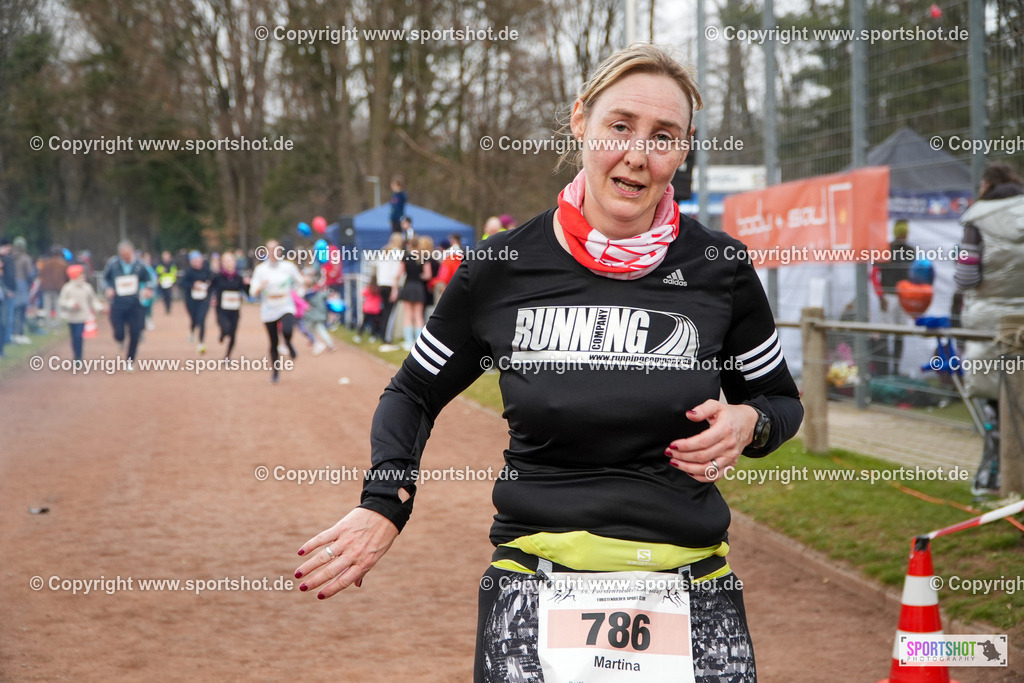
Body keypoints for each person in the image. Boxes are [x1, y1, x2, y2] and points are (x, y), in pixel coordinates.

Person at [295, 44, 803, 682]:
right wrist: (384, 500)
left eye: (664, 137)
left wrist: (747, 424)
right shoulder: (500, 267)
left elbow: (782, 403)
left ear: (685, 148)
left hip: (690, 578)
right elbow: (412, 393)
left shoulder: (720, 268)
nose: (638, 155)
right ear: (580, 122)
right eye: (619, 127)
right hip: (533, 584)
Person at [952, 162, 1024, 496]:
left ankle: (996, 480)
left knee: (996, 400)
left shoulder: (977, 218)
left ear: (986, 185)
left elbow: (967, 276)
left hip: (991, 327)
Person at [249, 240, 304, 383]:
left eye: (276, 249)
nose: (273, 252)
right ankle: (275, 372)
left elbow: (300, 281)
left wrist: (305, 286)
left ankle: (288, 342)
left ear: (280, 251)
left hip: (285, 305)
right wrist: (260, 287)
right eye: (270, 249)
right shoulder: (261, 269)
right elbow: (252, 291)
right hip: (269, 308)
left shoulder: (288, 267)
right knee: (273, 342)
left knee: (287, 329)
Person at [871, 219, 916, 375]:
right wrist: (880, 296)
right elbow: (875, 274)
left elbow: (913, 276)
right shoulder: (886, 249)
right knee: (887, 334)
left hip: (901, 297)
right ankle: (884, 370)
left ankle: (895, 370)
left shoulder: (909, 250)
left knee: (898, 335)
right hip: (890, 297)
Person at [102, 240, 153, 364]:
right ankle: (120, 339)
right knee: (119, 332)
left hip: (135, 303)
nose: (125, 257)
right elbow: (105, 279)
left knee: (135, 332)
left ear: (132, 252)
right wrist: (108, 288)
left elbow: (149, 280)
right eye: (123, 255)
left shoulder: (140, 265)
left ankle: (130, 360)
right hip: (118, 303)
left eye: (127, 254)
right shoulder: (113, 264)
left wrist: (147, 289)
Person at [392, 234, 432, 350]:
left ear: (409, 244)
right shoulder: (424, 256)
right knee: (418, 316)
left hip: (408, 286)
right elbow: (427, 275)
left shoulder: (406, 256)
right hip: (419, 287)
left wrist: (395, 288)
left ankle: (408, 342)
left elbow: (399, 274)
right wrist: (419, 275)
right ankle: (419, 342)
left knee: (408, 315)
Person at [58, 264, 104, 363]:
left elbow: (93, 301)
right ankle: (76, 354)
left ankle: (79, 357)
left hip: (82, 316)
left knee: (79, 336)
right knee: (74, 337)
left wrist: (100, 308)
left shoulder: (87, 288)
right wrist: (71, 304)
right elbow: (62, 301)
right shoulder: (67, 288)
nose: (83, 276)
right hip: (71, 317)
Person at [210, 251, 248, 359]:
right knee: (226, 330)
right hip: (222, 309)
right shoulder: (218, 277)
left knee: (233, 334)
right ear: (222, 263)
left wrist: (248, 284)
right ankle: (222, 334)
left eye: (230, 260)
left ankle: (227, 356)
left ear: (234, 262)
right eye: (225, 261)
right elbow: (211, 288)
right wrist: (212, 297)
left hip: (235, 310)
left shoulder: (239, 278)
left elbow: (247, 292)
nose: (228, 263)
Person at [375, 233, 405, 350]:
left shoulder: (384, 251)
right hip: (390, 284)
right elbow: (396, 272)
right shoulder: (397, 252)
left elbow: (378, 267)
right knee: (390, 312)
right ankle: (387, 338)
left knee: (385, 311)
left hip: (382, 283)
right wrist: (395, 288)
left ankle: (382, 335)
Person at [180, 251, 213, 354]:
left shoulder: (207, 271)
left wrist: (208, 288)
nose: (197, 262)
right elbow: (182, 283)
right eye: (194, 260)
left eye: (198, 260)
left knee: (201, 319)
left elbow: (213, 281)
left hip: (204, 299)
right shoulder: (189, 272)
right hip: (191, 300)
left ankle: (201, 343)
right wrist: (193, 285)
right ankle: (192, 330)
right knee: (194, 319)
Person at [8, 237, 35, 344]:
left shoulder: (10, 257)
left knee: (13, 310)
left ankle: (12, 333)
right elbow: (30, 274)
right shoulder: (25, 258)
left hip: (11, 285)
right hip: (22, 284)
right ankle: (20, 334)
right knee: (22, 310)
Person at [37, 246, 68, 327]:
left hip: (47, 288)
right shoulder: (63, 264)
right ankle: (57, 323)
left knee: (47, 307)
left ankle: (48, 323)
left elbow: (40, 275)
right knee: (58, 307)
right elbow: (66, 277)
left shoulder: (45, 264)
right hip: (58, 289)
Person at [140, 252, 158, 331]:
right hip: (142, 290)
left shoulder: (151, 268)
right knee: (142, 307)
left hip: (151, 290)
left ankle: (148, 319)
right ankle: (143, 321)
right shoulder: (141, 268)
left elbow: (154, 278)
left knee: (149, 307)